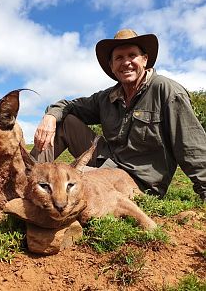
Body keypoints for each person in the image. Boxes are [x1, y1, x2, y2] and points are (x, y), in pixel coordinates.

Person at [30, 29, 206, 202]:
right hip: (106, 163)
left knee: (65, 181)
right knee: (64, 120)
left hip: (138, 181)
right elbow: (69, 106)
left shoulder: (166, 90)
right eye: (119, 58)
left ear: (145, 60)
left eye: (132, 55)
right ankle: (25, 177)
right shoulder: (107, 97)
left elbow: (191, 146)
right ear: (112, 66)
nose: (126, 62)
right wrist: (51, 117)